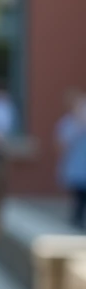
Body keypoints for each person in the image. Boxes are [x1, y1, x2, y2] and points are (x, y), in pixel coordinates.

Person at [56, 89, 86, 230]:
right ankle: (76, 219)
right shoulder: (68, 123)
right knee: (79, 194)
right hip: (76, 165)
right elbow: (61, 144)